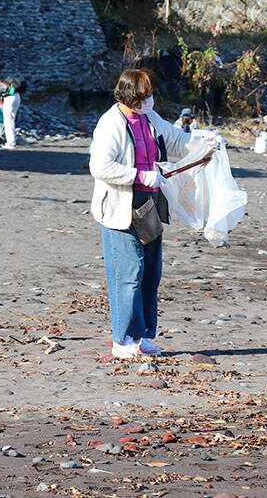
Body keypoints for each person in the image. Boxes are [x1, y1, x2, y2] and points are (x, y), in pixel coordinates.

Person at [89, 68, 221, 359]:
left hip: (150, 206)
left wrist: (203, 140)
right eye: (144, 97)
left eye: (150, 97)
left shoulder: (150, 118)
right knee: (129, 273)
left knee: (150, 272)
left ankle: (144, 335)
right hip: (120, 207)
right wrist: (140, 175)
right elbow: (99, 166)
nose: (149, 102)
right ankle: (122, 339)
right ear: (130, 97)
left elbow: (175, 140)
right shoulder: (110, 124)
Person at [0, 76, 24, 149]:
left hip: (9, 99)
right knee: (11, 119)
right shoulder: (3, 84)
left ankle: (10, 143)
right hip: (17, 97)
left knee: (8, 121)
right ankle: (12, 141)